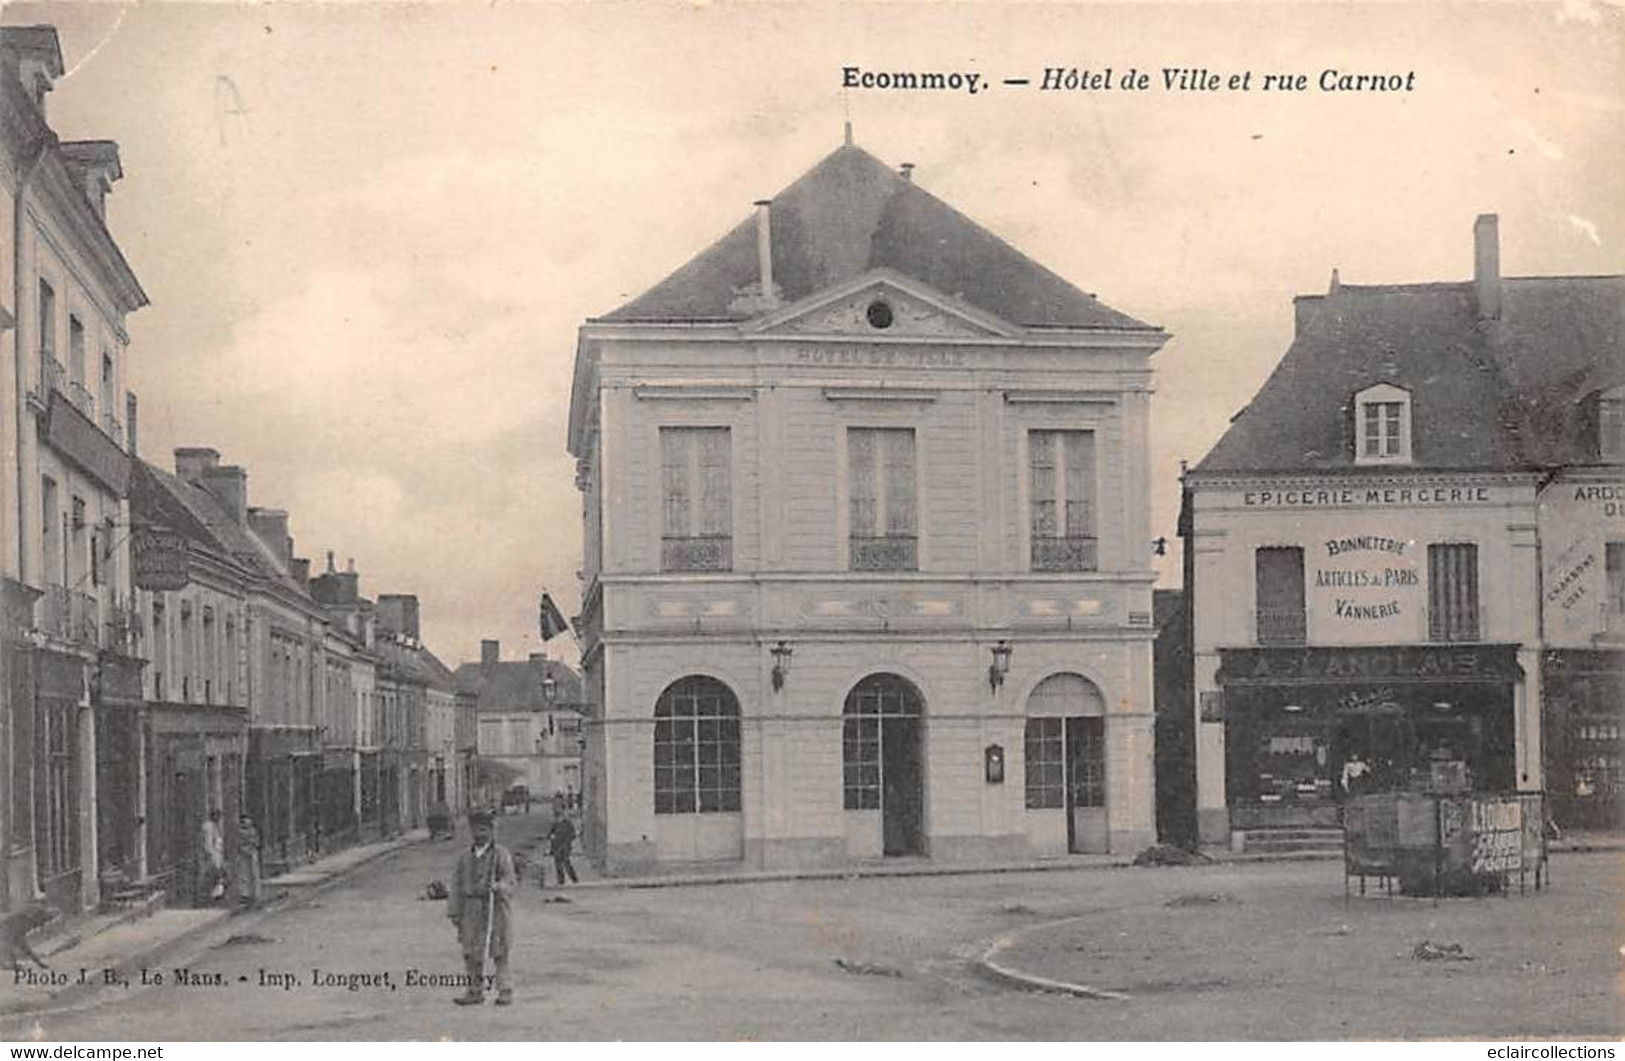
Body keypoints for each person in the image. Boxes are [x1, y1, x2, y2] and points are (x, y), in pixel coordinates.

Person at [446, 808, 516, 1006]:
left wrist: (499, 886)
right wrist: (455, 912)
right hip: (471, 909)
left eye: (484, 830)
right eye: (476, 830)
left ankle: (505, 990)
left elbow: (510, 880)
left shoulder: (500, 855)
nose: (480, 834)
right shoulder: (465, 858)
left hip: (495, 909)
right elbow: (456, 885)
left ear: (492, 831)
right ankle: (474, 991)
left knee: (499, 951)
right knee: (471, 951)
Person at [234, 814, 262, 910]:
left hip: (252, 853)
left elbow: (257, 842)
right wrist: (246, 849)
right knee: (244, 875)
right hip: (243, 855)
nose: (247, 823)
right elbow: (238, 844)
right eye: (245, 822)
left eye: (248, 821)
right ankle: (245, 895)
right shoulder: (239, 832)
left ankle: (255, 894)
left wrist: (253, 846)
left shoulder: (253, 831)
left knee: (254, 874)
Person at [198, 810, 226, 907]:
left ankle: (214, 898)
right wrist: (211, 855)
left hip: (216, 854)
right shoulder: (209, 827)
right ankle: (206, 899)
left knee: (216, 876)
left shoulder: (215, 827)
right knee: (211, 876)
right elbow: (208, 842)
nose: (219, 819)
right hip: (211, 856)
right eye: (218, 816)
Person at [548, 811, 578, 886]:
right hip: (556, 846)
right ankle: (561, 880)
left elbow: (573, 834)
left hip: (565, 846)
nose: (559, 818)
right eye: (557, 817)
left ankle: (573, 878)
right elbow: (550, 835)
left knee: (566, 862)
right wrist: (551, 840)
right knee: (558, 864)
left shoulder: (568, 824)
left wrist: (567, 842)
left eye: (560, 816)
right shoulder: (555, 825)